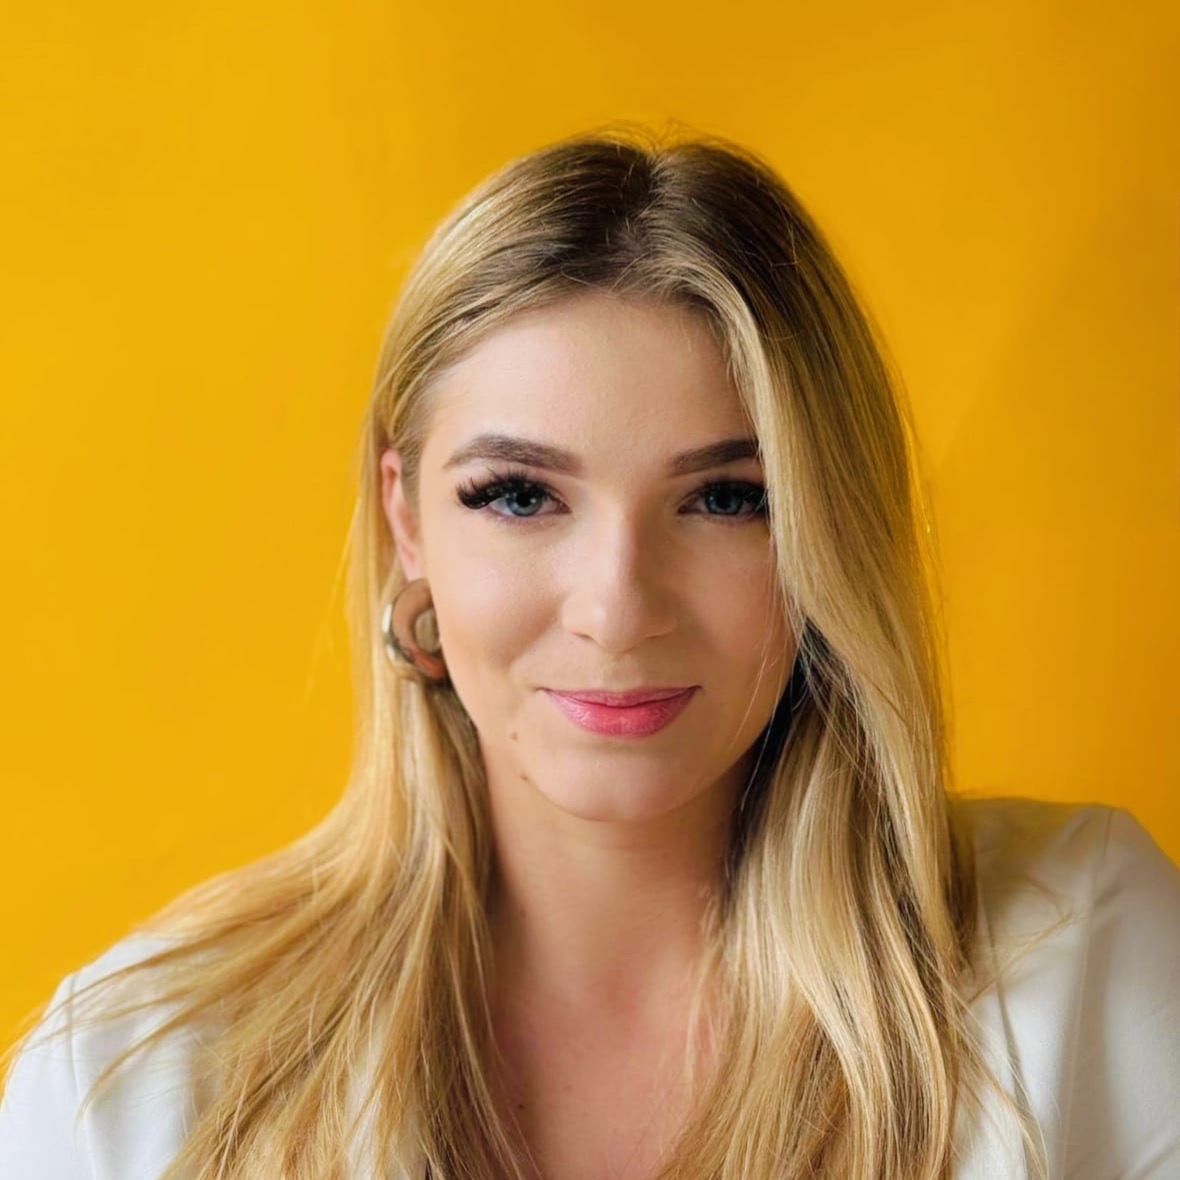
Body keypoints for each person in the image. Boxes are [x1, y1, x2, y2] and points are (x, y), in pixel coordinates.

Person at [1, 124, 1177, 1180]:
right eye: (520, 495)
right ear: (406, 518)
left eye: (726, 499)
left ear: (830, 524)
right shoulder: (127, 1079)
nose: (616, 610)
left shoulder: (1079, 966)